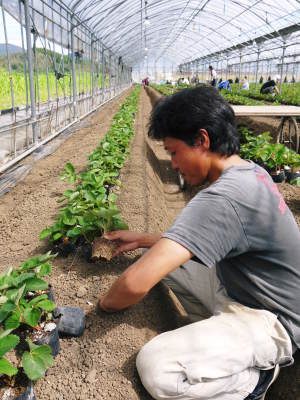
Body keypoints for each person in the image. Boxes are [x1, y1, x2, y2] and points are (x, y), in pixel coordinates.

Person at [98, 86, 300, 400]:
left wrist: (99, 307)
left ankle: (255, 379)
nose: (174, 164)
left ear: (202, 141)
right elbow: (187, 244)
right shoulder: (249, 172)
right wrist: (146, 240)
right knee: (162, 258)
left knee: (156, 365)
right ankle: (214, 341)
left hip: (273, 322)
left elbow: (134, 284)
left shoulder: (223, 197)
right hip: (246, 288)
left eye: (174, 152)